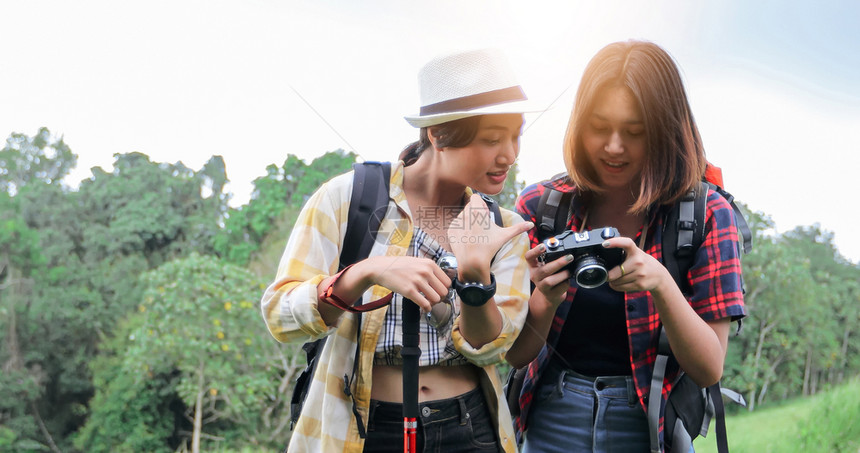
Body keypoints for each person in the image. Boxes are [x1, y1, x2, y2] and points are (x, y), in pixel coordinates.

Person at [261, 48, 536, 453]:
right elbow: (280, 316)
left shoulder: (502, 227)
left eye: (516, 137)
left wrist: (476, 273)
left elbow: (493, 350)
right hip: (362, 425)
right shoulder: (348, 198)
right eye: (492, 139)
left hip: (469, 428)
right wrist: (365, 272)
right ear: (438, 134)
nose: (510, 155)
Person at [505, 40, 746, 452]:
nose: (614, 147)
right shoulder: (543, 208)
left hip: (649, 425)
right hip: (551, 418)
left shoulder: (706, 214)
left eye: (635, 132)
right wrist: (542, 298)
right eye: (600, 128)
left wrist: (661, 285)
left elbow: (709, 368)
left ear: (666, 131)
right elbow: (515, 355)